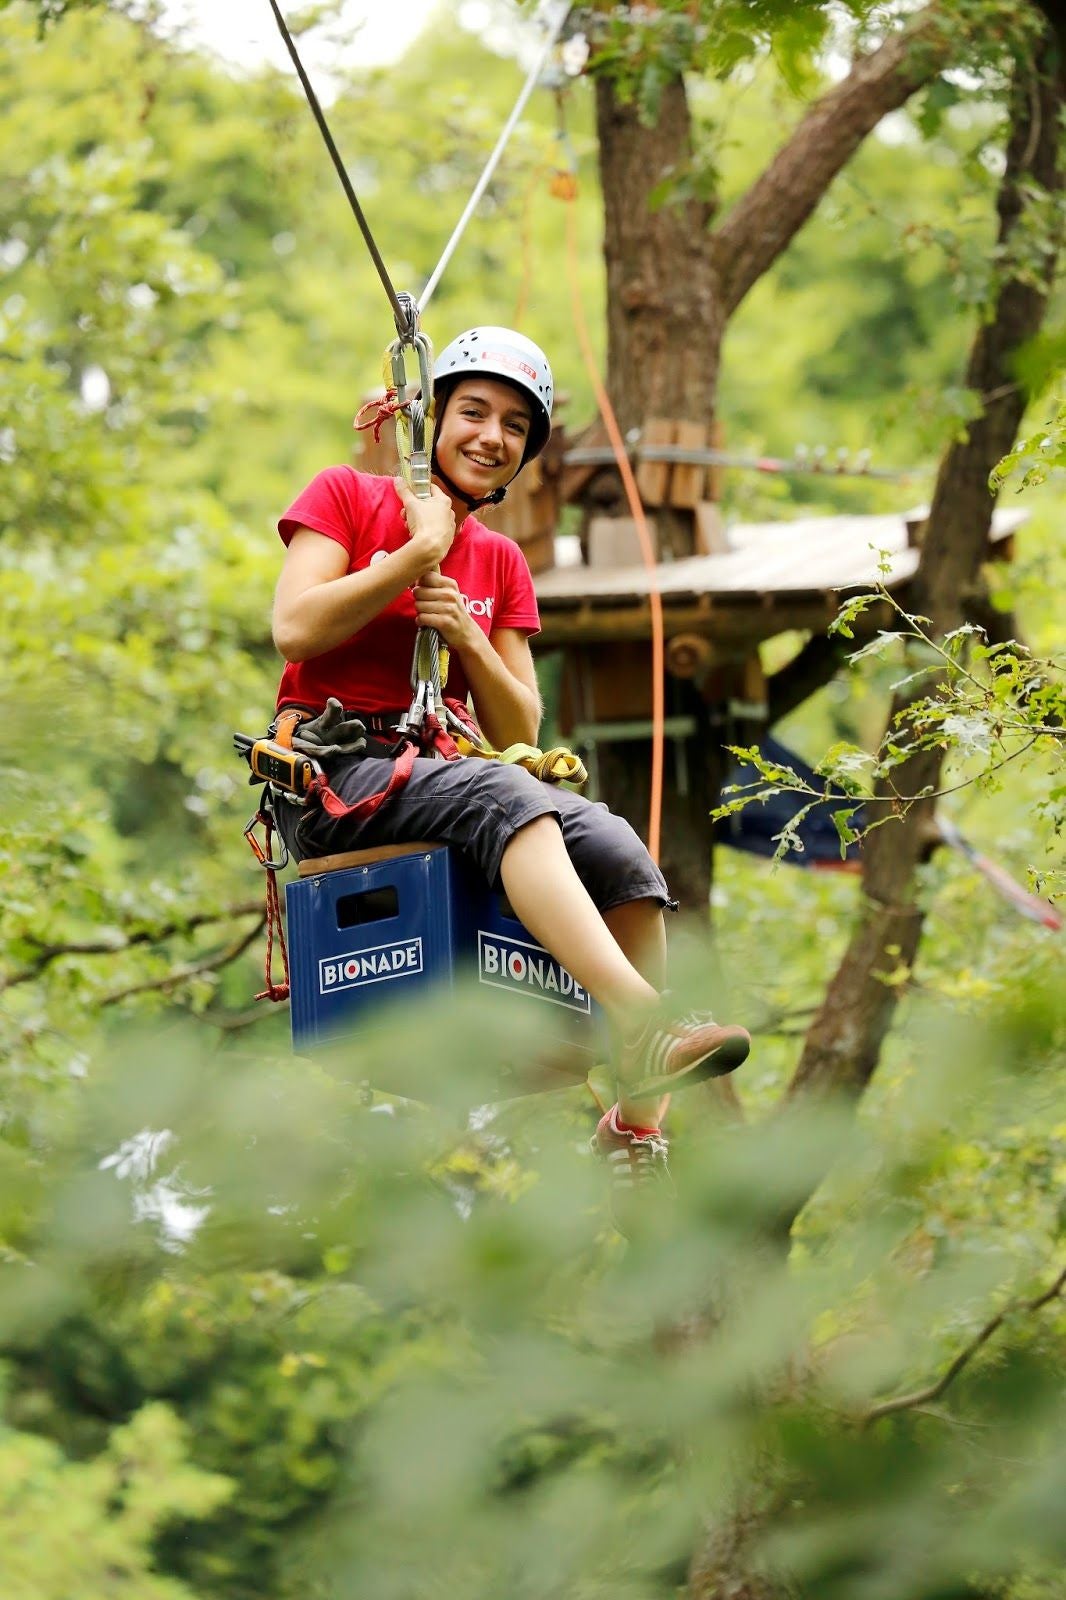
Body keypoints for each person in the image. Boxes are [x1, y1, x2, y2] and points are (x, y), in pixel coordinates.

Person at [266, 325, 750, 1220]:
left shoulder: (500, 561)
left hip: (437, 771)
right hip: (340, 771)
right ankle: (644, 1018)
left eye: (515, 426)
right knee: (507, 796)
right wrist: (410, 562)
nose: (492, 436)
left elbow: (519, 720)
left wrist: (463, 636)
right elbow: (295, 629)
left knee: (614, 845)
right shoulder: (349, 497)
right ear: (432, 417)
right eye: (474, 413)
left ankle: (637, 1127)